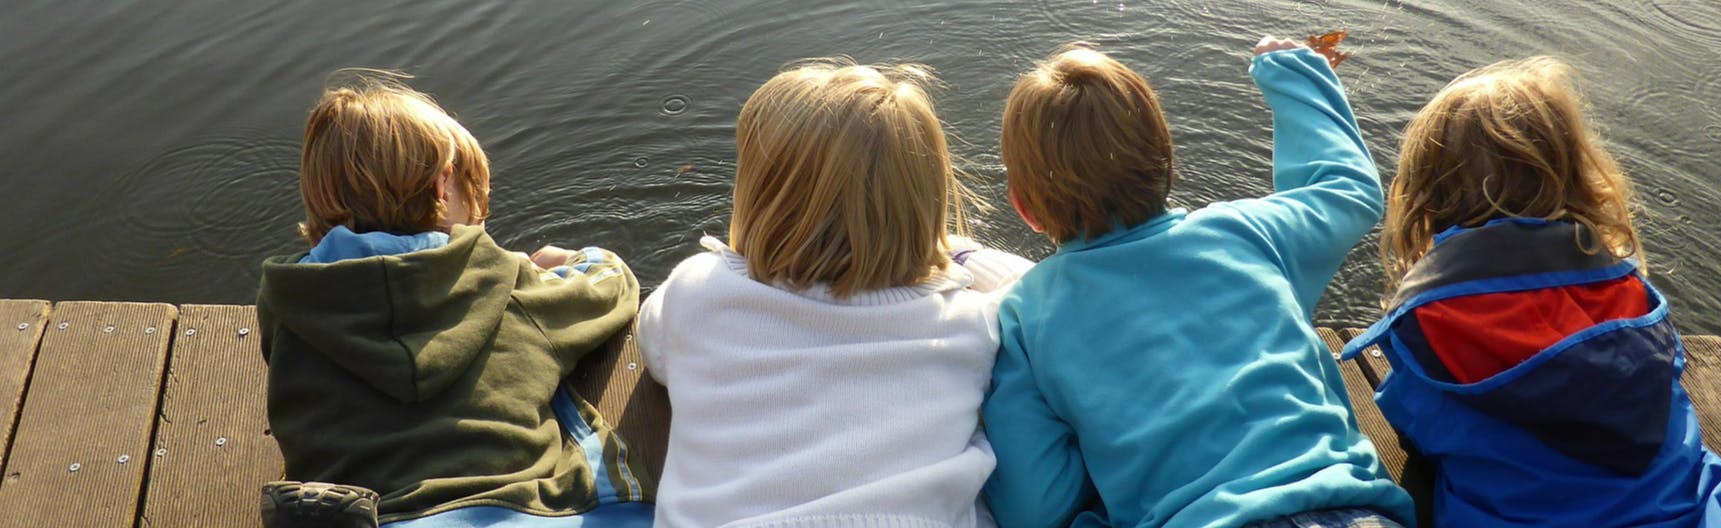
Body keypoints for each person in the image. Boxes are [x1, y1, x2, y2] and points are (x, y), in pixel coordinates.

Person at [981, 39, 1414, 528]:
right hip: (1350, 511)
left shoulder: (1028, 313)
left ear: (1023, 206)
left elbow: (1033, 507)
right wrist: (1293, 70)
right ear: (1168, 162)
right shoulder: (1248, 233)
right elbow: (1346, 190)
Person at [1339, 56, 1721, 527]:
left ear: (1427, 195)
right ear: (1574, 174)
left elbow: (1415, 423)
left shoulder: (1428, 323)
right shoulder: (1631, 294)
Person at [633, 60, 1033, 527]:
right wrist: (956, 252)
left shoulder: (698, 291)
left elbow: (655, 353)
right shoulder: (972, 326)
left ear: (758, 198)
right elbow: (1041, 292)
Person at [255, 71, 654, 528]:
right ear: (444, 186)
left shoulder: (290, 300)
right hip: (525, 513)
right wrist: (580, 259)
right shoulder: (507, 283)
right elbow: (611, 288)